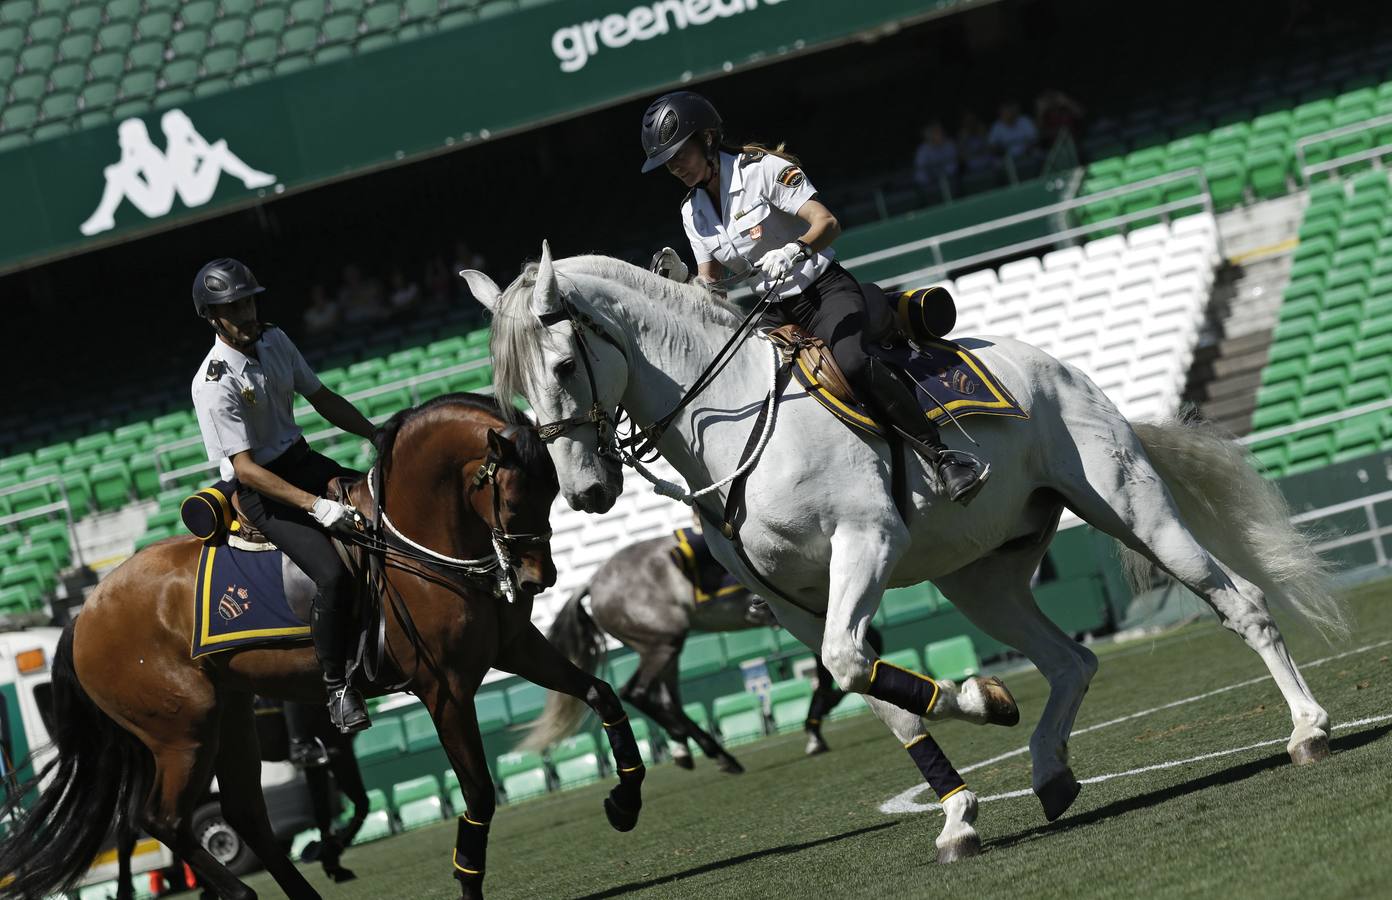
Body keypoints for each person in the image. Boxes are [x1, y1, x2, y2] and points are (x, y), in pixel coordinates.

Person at [638, 91, 988, 504]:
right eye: (667, 162)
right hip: (772, 311)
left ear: (709, 139)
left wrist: (797, 248)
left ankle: (944, 456)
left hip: (823, 291)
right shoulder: (690, 211)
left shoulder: (764, 170)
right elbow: (711, 286)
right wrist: (682, 285)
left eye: (679, 153)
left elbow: (827, 222)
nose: (674, 166)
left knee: (853, 362)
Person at [189, 258, 377, 732]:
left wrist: (377, 436)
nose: (247, 313)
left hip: (302, 459)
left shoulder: (274, 338)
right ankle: (337, 688)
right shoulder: (212, 383)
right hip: (260, 490)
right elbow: (246, 469)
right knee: (332, 576)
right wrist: (317, 506)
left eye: (250, 300)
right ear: (212, 318)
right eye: (234, 307)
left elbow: (322, 396)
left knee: (385, 511)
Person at [912, 121, 959, 199]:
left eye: (941, 132)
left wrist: (942, 179)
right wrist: (931, 181)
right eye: (936, 133)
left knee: (952, 183)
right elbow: (920, 174)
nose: (940, 134)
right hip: (930, 185)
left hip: (949, 181)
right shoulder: (923, 150)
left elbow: (953, 167)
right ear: (930, 136)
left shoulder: (949, 144)